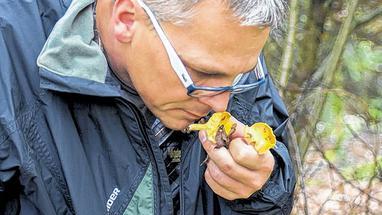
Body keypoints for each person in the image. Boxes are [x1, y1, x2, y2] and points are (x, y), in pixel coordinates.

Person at [0, 0, 296, 214]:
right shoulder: (9, 60)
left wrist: (260, 190)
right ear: (126, 19)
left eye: (239, 76)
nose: (222, 103)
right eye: (202, 75)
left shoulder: (227, 56)